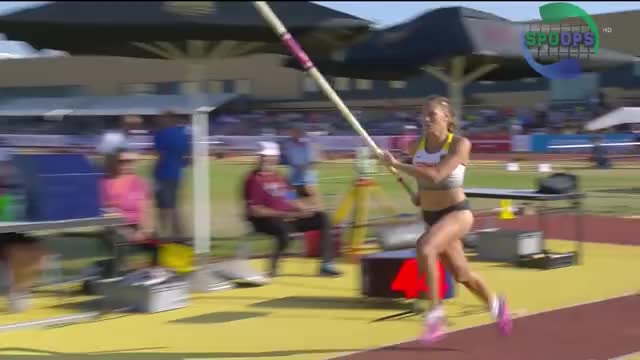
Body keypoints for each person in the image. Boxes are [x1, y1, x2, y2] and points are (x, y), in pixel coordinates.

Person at [381, 95, 512, 344]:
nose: (426, 119)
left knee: (425, 247)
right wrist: (419, 196)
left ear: (448, 118)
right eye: (424, 114)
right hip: (432, 217)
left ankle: (435, 314)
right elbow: (423, 182)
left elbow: (437, 176)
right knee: (463, 275)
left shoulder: (459, 144)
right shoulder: (415, 147)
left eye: (432, 115)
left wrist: (398, 165)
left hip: (457, 213)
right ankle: (497, 305)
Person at [243, 141, 341, 278]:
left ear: (276, 158)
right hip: (266, 221)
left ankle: (326, 265)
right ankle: (273, 266)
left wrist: (305, 210)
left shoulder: (279, 177)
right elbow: (255, 211)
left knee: (322, 218)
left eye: (269, 156)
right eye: (262, 156)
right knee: (285, 231)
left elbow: (290, 198)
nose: (265, 160)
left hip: (288, 217)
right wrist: (287, 214)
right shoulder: (253, 180)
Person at [101, 150, 158, 272]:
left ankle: (153, 274)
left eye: (131, 161)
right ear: (115, 163)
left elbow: (147, 208)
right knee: (120, 240)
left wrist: (146, 230)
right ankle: (119, 273)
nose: (127, 165)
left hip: (137, 225)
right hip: (116, 226)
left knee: (158, 241)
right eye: (122, 161)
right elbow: (104, 211)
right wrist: (127, 232)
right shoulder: (105, 183)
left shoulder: (141, 183)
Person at [153, 111, 191, 238]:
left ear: (168, 119)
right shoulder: (182, 135)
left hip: (163, 175)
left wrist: (156, 170)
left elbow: (160, 156)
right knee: (173, 206)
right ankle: (178, 234)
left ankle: (165, 234)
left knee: (163, 207)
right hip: (177, 175)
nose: (159, 120)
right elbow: (187, 159)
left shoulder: (161, 135)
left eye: (161, 118)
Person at [280, 123, 321, 207]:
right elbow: (286, 159)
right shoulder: (287, 144)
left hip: (307, 177)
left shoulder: (308, 143)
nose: (296, 134)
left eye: (298, 132)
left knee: (313, 200)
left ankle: (317, 214)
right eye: (294, 132)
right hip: (294, 177)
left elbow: (314, 159)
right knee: (289, 199)